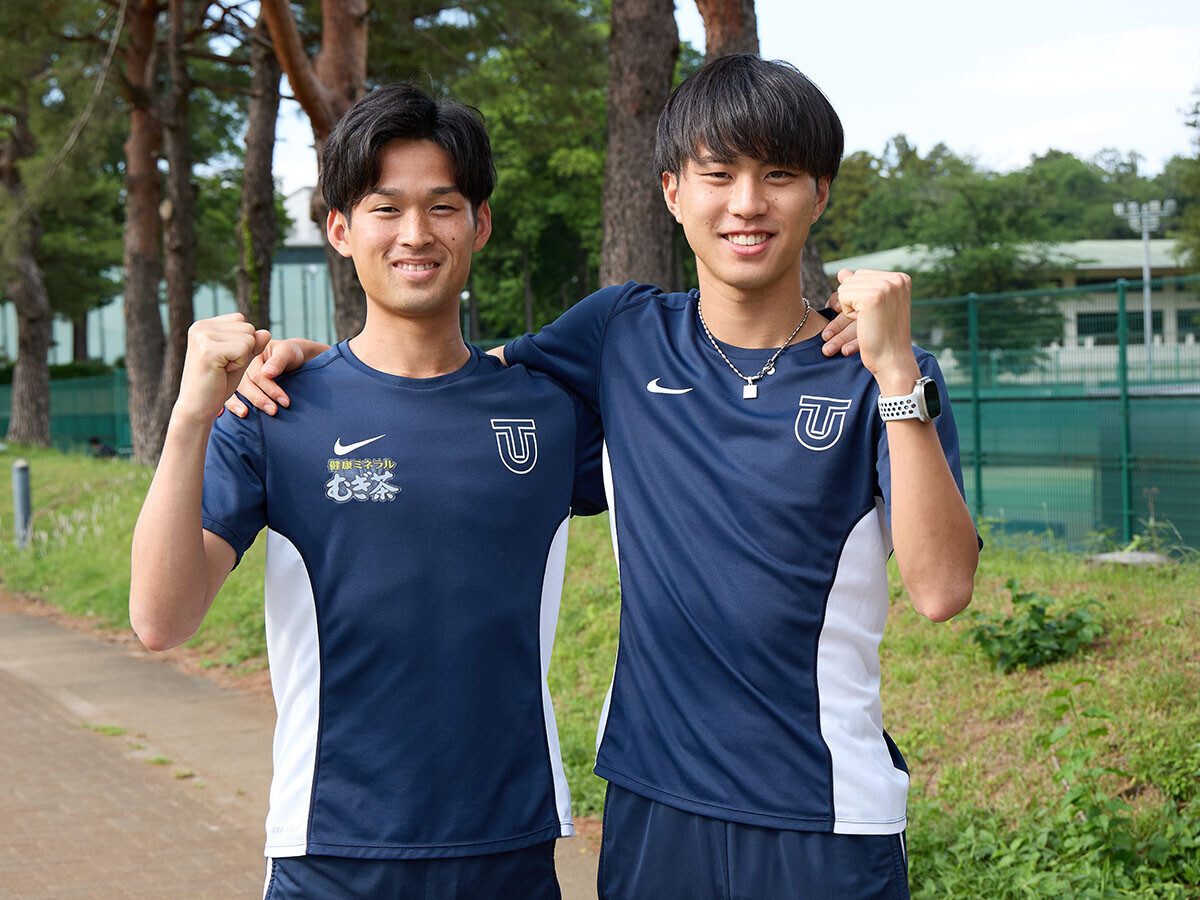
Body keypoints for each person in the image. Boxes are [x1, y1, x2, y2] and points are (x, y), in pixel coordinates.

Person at [233, 56, 979, 900]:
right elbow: (459, 375)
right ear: (671, 193)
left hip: (827, 814)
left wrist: (895, 383)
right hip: (652, 805)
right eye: (718, 174)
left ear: (821, 192)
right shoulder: (621, 332)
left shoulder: (881, 374)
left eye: (778, 175)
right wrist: (309, 367)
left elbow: (943, 587)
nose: (746, 203)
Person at [130, 83, 604, 900]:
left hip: (511, 848)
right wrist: (188, 420)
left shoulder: (549, 411)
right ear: (341, 231)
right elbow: (161, 620)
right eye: (386, 209)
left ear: (479, 224)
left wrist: (840, 347)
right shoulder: (276, 409)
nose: (416, 234)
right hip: (331, 853)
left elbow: (711, 424)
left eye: (442, 206)